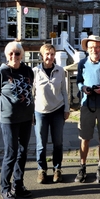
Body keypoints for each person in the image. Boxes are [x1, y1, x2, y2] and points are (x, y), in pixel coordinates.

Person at [0, 41, 34, 199]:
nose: (14, 56)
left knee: (22, 153)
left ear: (21, 55)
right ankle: (5, 187)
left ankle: (18, 184)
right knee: (11, 153)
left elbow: (30, 91)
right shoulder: (1, 73)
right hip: (9, 120)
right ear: (6, 55)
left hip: (27, 118)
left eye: (17, 53)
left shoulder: (28, 70)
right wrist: (7, 109)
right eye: (11, 53)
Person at [75, 35, 100, 184]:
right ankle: (82, 166)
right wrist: (83, 88)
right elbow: (79, 81)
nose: (94, 50)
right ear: (87, 49)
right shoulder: (82, 63)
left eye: (96, 47)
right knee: (85, 138)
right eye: (90, 47)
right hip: (87, 106)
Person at [32, 44, 70, 184]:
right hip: (40, 112)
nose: (50, 57)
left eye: (52, 54)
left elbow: (64, 92)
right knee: (41, 144)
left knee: (58, 143)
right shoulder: (35, 71)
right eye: (47, 54)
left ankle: (57, 169)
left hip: (57, 111)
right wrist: (31, 113)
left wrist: (67, 109)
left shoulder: (60, 70)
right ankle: (41, 170)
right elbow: (31, 94)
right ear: (42, 56)